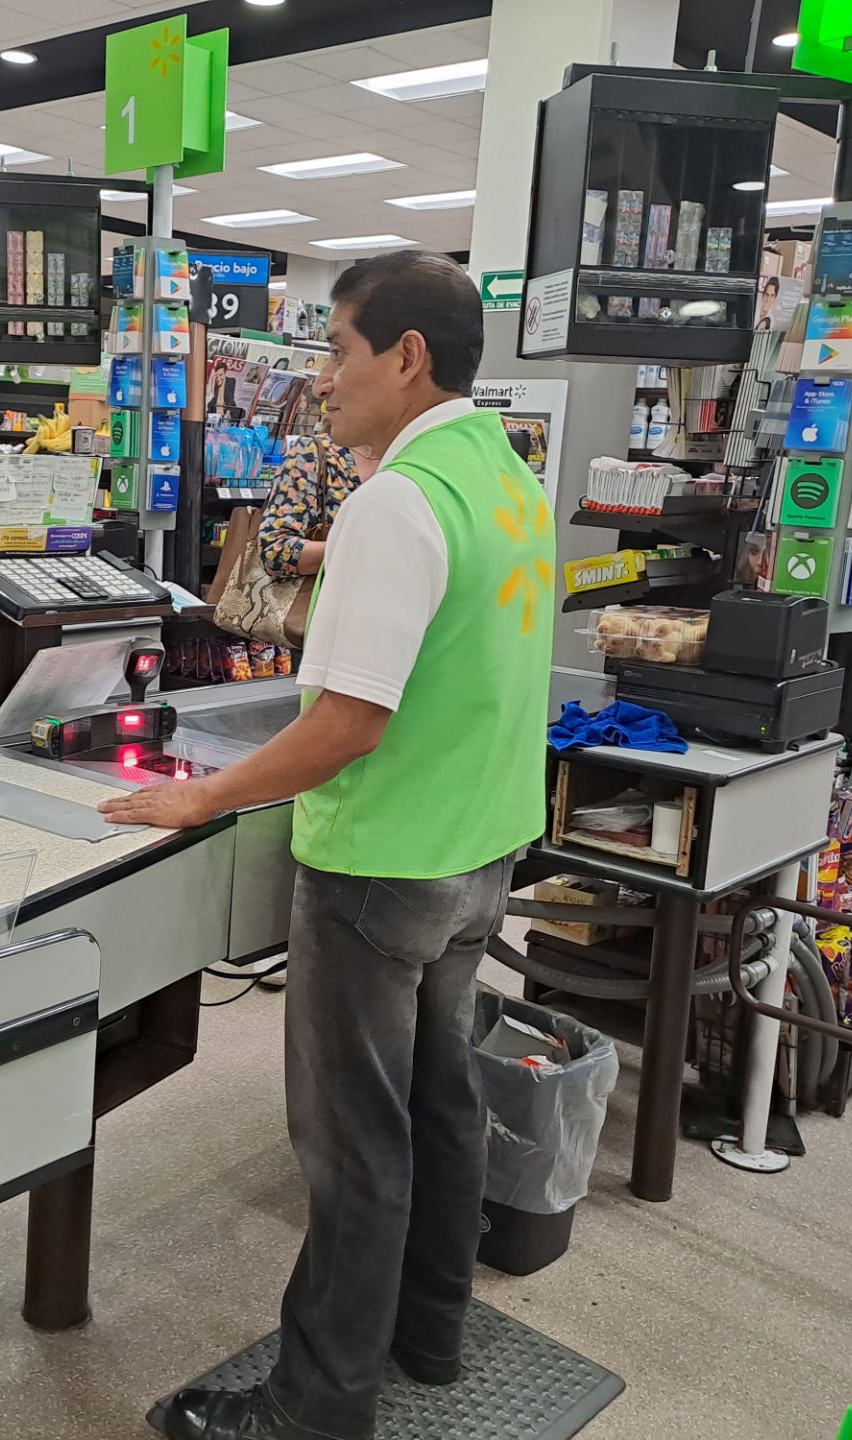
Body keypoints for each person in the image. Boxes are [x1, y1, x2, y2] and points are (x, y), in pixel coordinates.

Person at [100, 251, 556, 1440]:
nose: (324, 382)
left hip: (384, 867)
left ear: (406, 357)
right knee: (440, 1101)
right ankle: (430, 1335)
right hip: (481, 853)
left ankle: (315, 1408)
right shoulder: (508, 478)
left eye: (340, 352)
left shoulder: (397, 503)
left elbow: (349, 721)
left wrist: (199, 802)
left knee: (355, 1141)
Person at [258, 429, 375, 580]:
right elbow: (274, 552)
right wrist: (363, 552)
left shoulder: (405, 458)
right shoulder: (313, 451)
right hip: (325, 598)